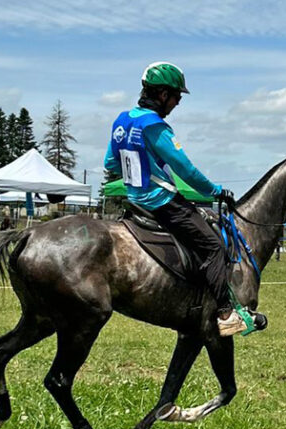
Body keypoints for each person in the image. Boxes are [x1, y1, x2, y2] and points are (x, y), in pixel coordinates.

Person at [104, 61, 261, 337]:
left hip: (136, 204)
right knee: (214, 247)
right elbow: (185, 169)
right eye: (177, 96)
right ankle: (226, 315)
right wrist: (214, 190)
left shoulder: (122, 121)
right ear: (163, 95)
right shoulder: (155, 126)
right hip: (161, 203)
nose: (178, 103)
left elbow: (111, 164)